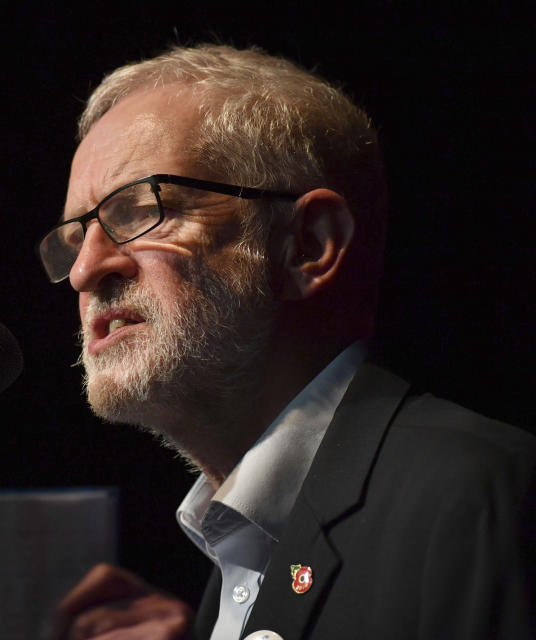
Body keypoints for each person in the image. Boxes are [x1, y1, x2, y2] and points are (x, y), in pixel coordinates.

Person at [36, 44, 536, 640]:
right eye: (74, 237)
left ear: (307, 245)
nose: (85, 269)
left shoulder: (477, 496)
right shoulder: (238, 553)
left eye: (142, 209)